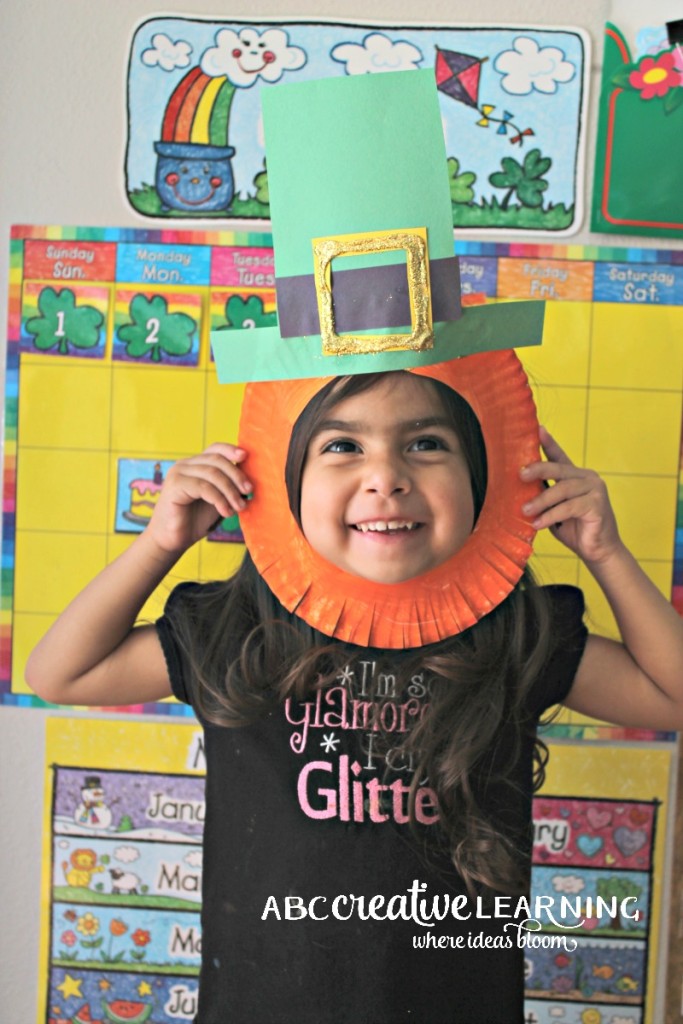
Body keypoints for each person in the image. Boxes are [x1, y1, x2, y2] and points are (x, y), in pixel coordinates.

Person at [27, 368, 683, 1024]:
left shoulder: (512, 639)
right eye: (342, 446)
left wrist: (607, 554)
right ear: (285, 479)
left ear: (482, 477)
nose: (386, 477)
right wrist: (161, 540)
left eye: (425, 443)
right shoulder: (238, 633)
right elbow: (62, 674)